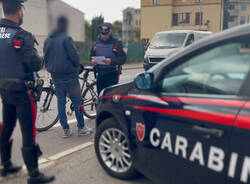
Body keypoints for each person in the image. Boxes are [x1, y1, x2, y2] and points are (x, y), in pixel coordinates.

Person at [0, 0, 55, 183]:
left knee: (7, 126)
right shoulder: (22, 36)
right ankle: (34, 175)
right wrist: (42, 59)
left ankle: (6, 165)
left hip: (4, 89)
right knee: (27, 131)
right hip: (23, 91)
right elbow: (33, 63)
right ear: (19, 11)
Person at [44, 16, 92, 138]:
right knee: (78, 102)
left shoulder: (48, 40)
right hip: (70, 76)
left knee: (61, 102)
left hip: (56, 76)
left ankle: (65, 129)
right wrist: (77, 66)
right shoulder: (66, 38)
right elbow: (74, 57)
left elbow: (45, 56)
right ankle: (81, 127)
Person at [91, 22, 126, 94]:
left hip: (112, 74)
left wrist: (111, 61)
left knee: (111, 98)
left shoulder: (116, 43)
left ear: (110, 32)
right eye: (102, 34)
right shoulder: (96, 44)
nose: (104, 36)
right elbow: (91, 56)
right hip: (100, 74)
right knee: (100, 97)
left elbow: (123, 58)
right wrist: (93, 62)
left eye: (106, 34)